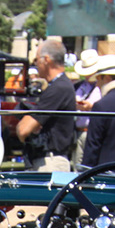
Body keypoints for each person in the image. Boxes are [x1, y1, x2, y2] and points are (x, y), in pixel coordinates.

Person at [16, 40, 76, 171]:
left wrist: (25, 122)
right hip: (49, 160)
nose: (35, 64)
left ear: (46, 60)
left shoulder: (58, 88)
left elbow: (23, 130)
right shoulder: (60, 86)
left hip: (50, 163)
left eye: (36, 59)